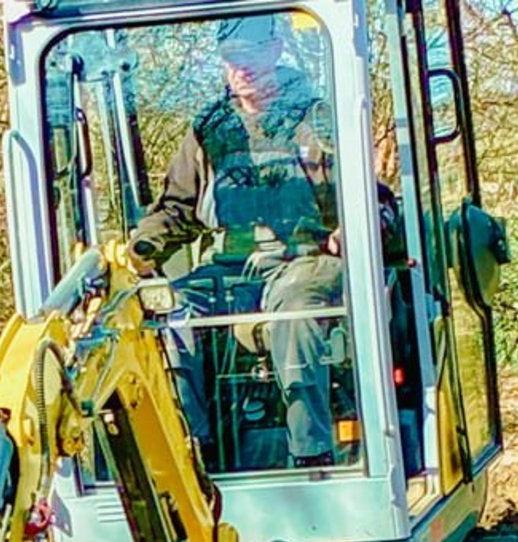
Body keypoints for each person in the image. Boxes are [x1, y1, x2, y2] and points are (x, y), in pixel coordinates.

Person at [129, 14, 391, 468]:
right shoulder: (211, 130)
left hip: (305, 261)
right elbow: (176, 208)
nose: (241, 69)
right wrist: (139, 250)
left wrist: (359, 226)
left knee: (296, 308)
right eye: (232, 59)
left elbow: (375, 198)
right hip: (230, 269)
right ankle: (193, 454)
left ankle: (312, 453)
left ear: (274, 51)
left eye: (250, 57)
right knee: (168, 311)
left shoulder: (316, 117)